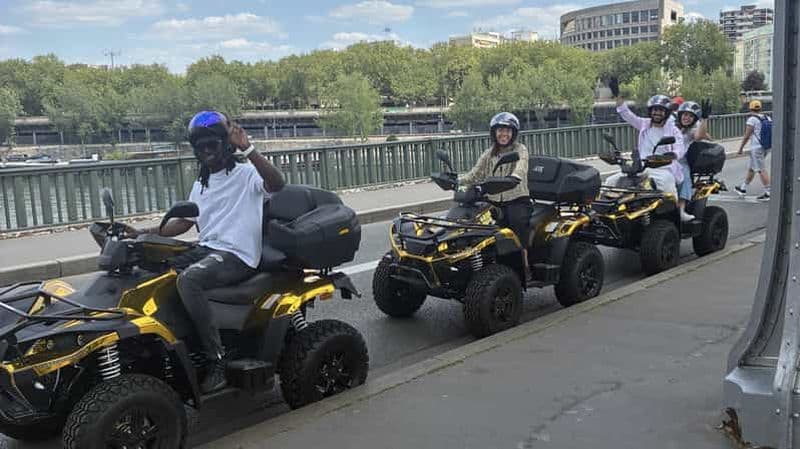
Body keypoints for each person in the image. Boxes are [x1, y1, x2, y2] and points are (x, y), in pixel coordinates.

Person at [126, 110, 285, 393]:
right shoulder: (202, 183)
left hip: (237, 255)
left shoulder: (246, 174)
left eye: (212, 145)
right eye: (201, 147)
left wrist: (248, 149)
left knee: (189, 280)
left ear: (225, 144)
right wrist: (143, 234)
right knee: (153, 271)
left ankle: (218, 360)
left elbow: (277, 184)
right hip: (208, 249)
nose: (207, 152)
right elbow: (185, 221)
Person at [606, 79, 690, 221]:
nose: (657, 113)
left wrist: (673, 155)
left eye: (660, 110)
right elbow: (626, 114)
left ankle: (675, 217)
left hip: (663, 169)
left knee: (667, 184)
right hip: (641, 168)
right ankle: (610, 216)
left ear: (667, 112)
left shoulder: (673, 130)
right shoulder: (644, 124)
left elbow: (679, 148)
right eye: (654, 110)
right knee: (610, 181)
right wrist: (617, 95)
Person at [459, 112, 532, 275]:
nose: (504, 134)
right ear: (494, 132)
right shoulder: (489, 153)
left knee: (517, 222)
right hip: (493, 201)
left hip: (516, 199)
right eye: (500, 130)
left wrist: (515, 176)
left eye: (507, 130)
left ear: (513, 133)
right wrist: (457, 181)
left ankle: (525, 264)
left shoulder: (520, 149)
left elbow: (522, 166)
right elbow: (475, 174)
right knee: (474, 223)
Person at [674, 100, 713, 219]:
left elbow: (700, 135)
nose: (687, 118)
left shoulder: (691, 130)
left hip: (680, 161)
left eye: (691, 116)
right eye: (685, 114)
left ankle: (681, 210)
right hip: (664, 159)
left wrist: (705, 119)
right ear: (680, 115)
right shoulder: (672, 126)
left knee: (684, 177)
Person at [735, 100, 771, 201]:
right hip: (765, 146)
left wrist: (741, 148)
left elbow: (747, 135)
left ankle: (768, 191)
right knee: (752, 167)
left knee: (761, 169)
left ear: (750, 109)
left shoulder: (752, 120)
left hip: (756, 148)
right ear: (760, 108)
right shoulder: (767, 117)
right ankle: (743, 188)